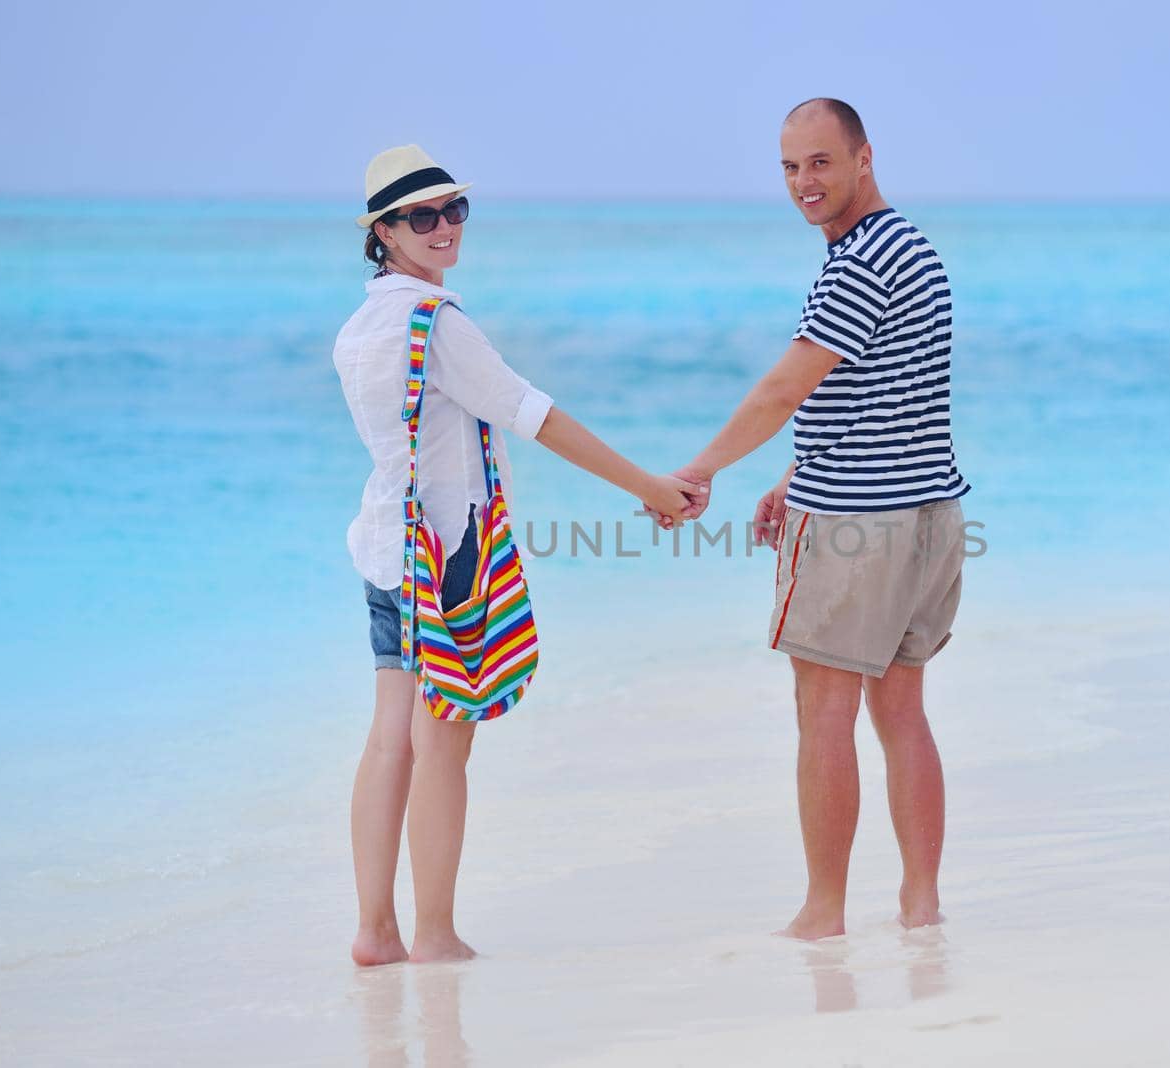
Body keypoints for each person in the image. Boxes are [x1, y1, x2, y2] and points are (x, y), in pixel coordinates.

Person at [334, 145, 702, 966]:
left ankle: (374, 930)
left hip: (385, 548)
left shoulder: (360, 329)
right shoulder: (437, 324)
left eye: (453, 210)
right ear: (384, 233)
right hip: (447, 559)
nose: (442, 228)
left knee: (390, 734)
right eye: (420, 217)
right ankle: (432, 934)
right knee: (443, 743)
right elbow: (536, 416)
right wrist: (647, 484)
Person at [669, 100, 970, 940]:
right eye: (790, 167)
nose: (805, 183)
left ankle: (823, 913)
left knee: (825, 710)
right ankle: (920, 905)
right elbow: (888, 391)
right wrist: (797, 472)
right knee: (902, 710)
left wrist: (698, 470)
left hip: (857, 525)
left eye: (821, 163)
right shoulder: (913, 248)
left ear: (864, 157)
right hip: (931, 516)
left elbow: (782, 388)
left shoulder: (855, 265)